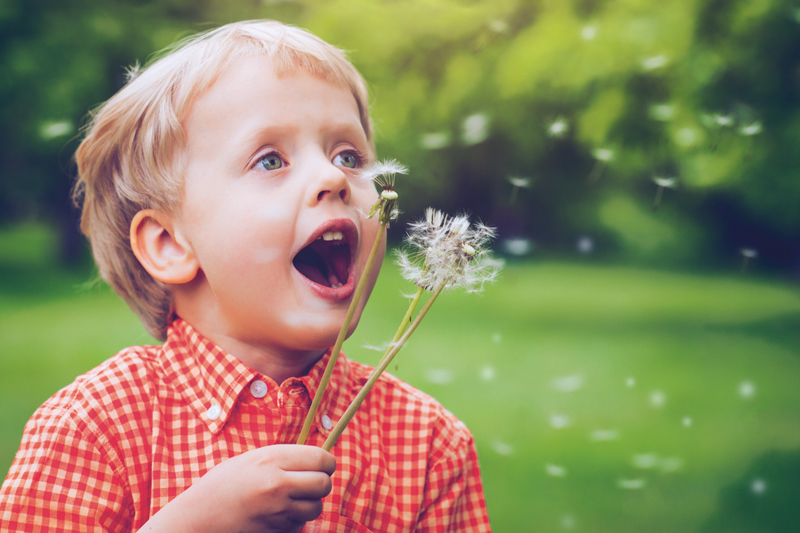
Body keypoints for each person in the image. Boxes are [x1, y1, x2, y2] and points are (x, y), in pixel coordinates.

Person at [0, 20, 491, 532]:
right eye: (271, 159)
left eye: (349, 156)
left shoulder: (429, 445)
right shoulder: (93, 430)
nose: (332, 177)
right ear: (170, 244)